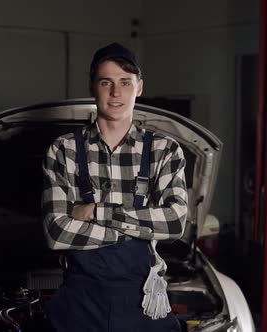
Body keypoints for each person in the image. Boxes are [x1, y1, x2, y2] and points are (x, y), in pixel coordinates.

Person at [41, 42, 187, 332]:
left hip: (143, 304)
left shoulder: (165, 151)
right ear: (93, 87)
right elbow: (56, 232)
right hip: (79, 307)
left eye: (125, 83)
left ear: (139, 87)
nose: (116, 93)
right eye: (106, 82)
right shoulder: (63, 150)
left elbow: (174, 222)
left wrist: (97, 212)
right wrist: (137, 231)